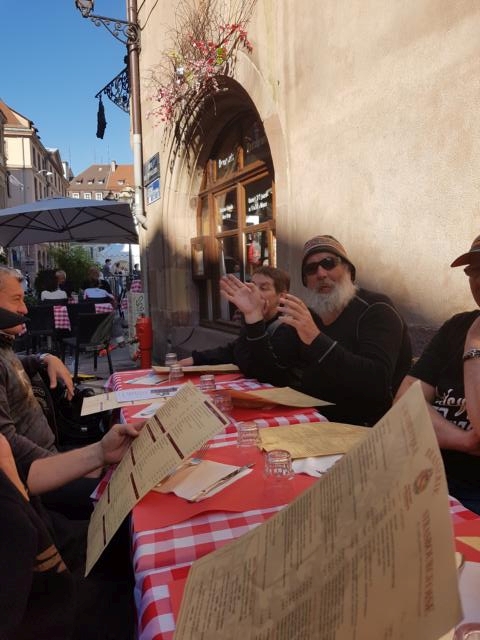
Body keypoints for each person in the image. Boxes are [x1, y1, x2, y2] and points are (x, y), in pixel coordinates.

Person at [221, 235, 412, 426]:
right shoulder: (308, 316)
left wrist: (315, 339)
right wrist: (253, 318)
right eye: (311, 269)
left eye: (329, 263)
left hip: (369, 429)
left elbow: (377, 383)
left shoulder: (376, 309)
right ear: (306, 281)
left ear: (348, 269)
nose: (321, 274)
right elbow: (270, 375)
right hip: (312, 423)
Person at [395, 235, 480, 514]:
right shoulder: (457, 326)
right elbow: (404, 404)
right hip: (424, 471)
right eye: (474, 270)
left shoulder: (472, 333)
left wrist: (474, 345)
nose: (479, 279)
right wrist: (464, 440)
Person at [178, 266, 290, 372]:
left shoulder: (287, 328)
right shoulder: (254, 320)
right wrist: (195, 359)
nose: (255, 292)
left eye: (263, 288)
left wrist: (254, 319)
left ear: (281, 296)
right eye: (252, 286)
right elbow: (235, 351)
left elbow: (263, 371)